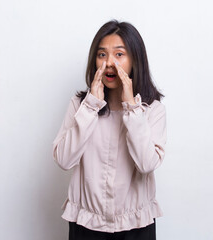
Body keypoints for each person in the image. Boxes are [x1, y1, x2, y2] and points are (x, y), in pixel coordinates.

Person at [52, 20, 166, 240]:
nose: (109, 63)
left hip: (136, 227)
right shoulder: (80, 106)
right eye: (102, 55)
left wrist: (132, 109)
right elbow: (64, 160)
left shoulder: (152, 110)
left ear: (135, 60)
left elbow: (146, 164)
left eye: (119, 54)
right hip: (87, 226)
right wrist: (91, 106)